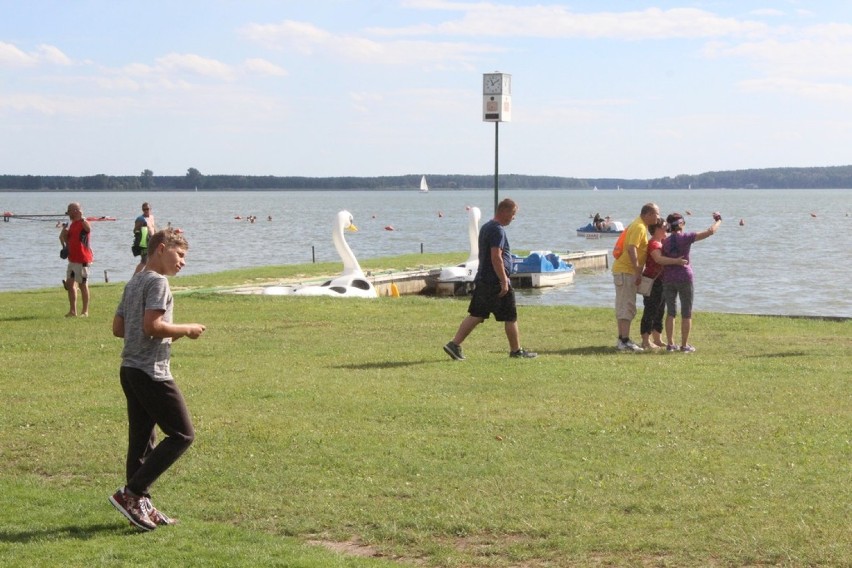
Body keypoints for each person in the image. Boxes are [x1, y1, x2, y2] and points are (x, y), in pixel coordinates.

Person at [109, 228, 206, 531]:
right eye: (180, 255)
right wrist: (186, 329)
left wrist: (158, 336)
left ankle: (141, 504)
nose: (183, 262)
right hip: (151, 372)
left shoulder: (135, 280)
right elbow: (153, 326)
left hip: (130, 369)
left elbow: (119, 328)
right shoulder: (158, 282)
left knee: (142, 440)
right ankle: (131, 494)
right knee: (182, 434)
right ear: (161, 249)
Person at [443, 198, 536, 360]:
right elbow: (496, 257)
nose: (514, 218)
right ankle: (516, 351)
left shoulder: (486, 227)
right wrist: (503, 280)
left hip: (484, 279)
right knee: (510, 316)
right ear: (504, 211)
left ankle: (454, 344)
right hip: (495, 282)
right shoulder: (497, 230)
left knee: (477, 315)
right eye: (513, 214)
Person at [660, 212, 722, 353]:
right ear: (681, 224)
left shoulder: (666, 241)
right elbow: (710, 231)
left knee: (670, 312)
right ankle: (684, 345)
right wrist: (718, 220)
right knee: (686, 312)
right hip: (684, 277)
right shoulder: (686, 238)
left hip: (668, 278)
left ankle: (670, 344)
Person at [612, 202, 661, 351]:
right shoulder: (639, 227)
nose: (658, 217)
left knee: (623, 306)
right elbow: (631, 248)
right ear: (648, 214)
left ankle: (622, 339)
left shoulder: (639, 225)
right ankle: (624, 341)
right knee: (627, 306)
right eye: (656, 214)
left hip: (624, 271)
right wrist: (637, 270)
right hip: (626, 271)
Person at [639, 222, 688, 349]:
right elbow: (659, 259)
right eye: (664, 227)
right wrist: (676, 261)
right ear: (655, 229)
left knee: (660, 310)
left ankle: (657, 339)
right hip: (653, 281)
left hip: (663, 281)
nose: (667, 228)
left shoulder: (663, 241)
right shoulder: (654, 243)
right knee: (651, 310)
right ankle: (645, 340)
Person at [59, 202, 93, 317]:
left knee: (83, 285)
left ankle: (85, 311)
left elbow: (88, 229)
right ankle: (73, 311)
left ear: (75, 211)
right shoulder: (72, 224)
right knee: (70, 285)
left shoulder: (83, 223)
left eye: (69, 211)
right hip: (72, 260)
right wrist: (63, 232)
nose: (68, 213)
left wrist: (82, 218)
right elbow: (65, 239)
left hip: (83, 259)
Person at [133, 202, 157, 274]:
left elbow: (153, 228)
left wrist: (157, 237)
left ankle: (147, 276)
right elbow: (135, 230)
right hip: (144, 242)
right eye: (144, 209)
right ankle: (134, 278)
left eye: (147, 209)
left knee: (153, 259)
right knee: (144, 261)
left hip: (153, 241)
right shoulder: (140, 219)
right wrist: (140, 229)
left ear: (150, 209)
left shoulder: (152, 217)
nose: (146, 211)